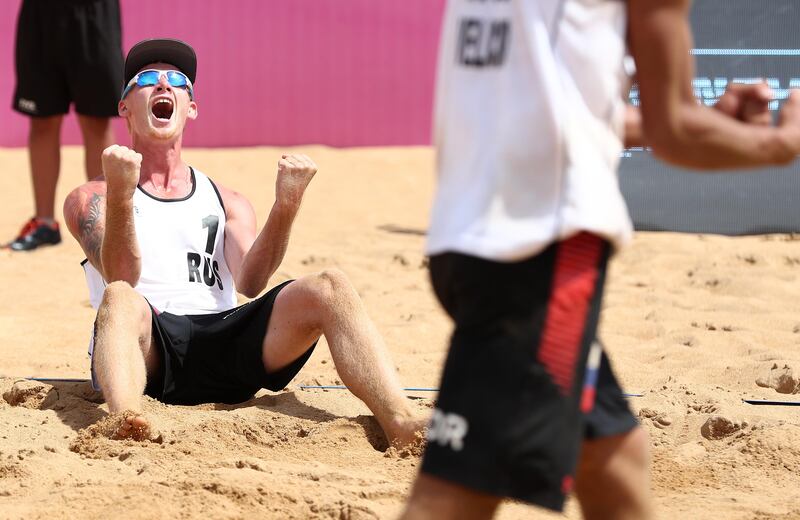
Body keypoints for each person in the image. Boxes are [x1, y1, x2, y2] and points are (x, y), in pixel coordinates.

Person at [401, 0, 800, 519]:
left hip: (465, 239)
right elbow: (673, 130)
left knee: (614, 459)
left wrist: (706, 123)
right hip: (542, 254)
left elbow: (564, 110)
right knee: (449, 499)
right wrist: (778, 144)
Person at [62, 38, 424, 445]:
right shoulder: (90, 198)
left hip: (223, 341)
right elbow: (122, 277)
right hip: (149, 350)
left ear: (191, 108)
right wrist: (122, 193)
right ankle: (126, 423)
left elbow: (251, 281)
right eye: (147, 78)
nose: (163, 85)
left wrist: (285, 206)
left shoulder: (226, 199)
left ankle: (401, 422)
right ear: (125, 107)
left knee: (331, 286)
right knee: (119, 299)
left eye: (177, 81)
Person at [8, 0, 123, 251]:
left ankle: (101, 223)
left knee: (96, 121)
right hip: (41, 14)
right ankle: (44, 223)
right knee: (42, 120)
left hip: (94, 13)